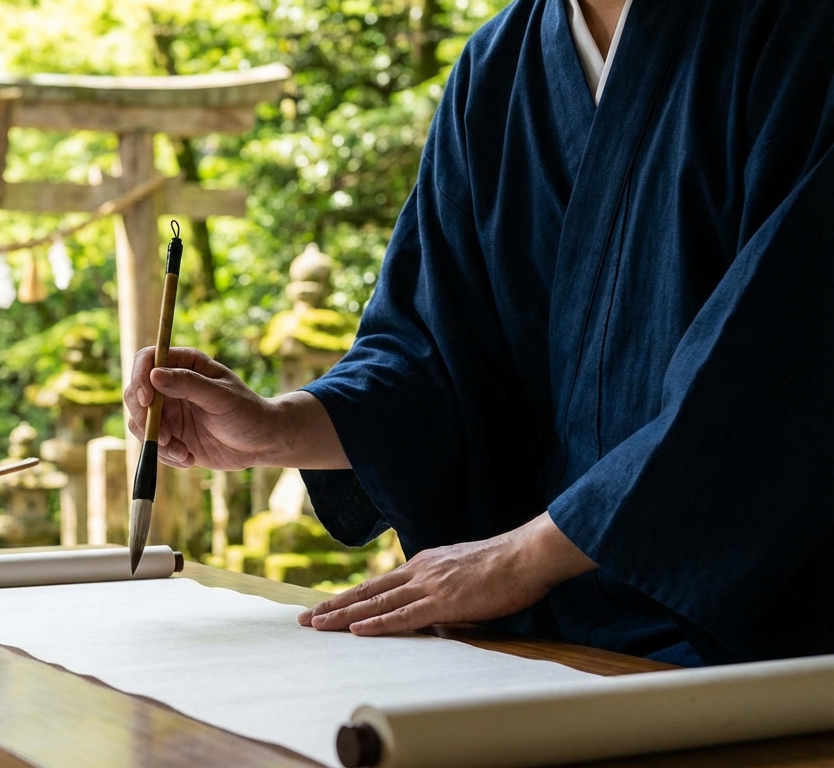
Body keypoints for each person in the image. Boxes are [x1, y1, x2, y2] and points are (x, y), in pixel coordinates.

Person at [124, 0, 834, 667]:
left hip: (761, 646)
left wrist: (523, 558)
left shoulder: (800, 31)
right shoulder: (498, 67)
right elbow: (434, 351)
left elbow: (775, 371)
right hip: (545, 646)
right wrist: (280, 427)